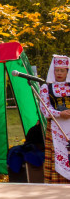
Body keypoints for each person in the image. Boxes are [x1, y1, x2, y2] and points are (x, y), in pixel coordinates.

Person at [39, 55, 70, 184]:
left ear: (67, 71)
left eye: (62, 70)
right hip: (56, 126)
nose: (59, 73)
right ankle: (57, 182)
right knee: (58, 154)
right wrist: (59, 113)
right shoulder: (46, 88)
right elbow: (44, 108)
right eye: (57, 70)